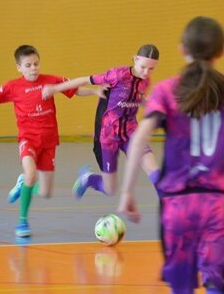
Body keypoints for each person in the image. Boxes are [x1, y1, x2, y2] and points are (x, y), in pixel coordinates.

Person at [117, 17, 224, 294]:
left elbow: (140, 137)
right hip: (219, 209)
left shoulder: (166, 89)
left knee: (181, 287)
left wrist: (127, 191)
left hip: (176, 207)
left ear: (182, 49)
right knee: (217, 284)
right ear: (221, 52)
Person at [0, 45, 102, 238]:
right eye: (28, 65)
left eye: (36, 64)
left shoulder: (51, 81)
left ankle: (23, 184)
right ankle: (22, 222)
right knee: (31, 174)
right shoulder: (12, 87)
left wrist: (95, 92)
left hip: (49, 141)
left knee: (45, 193)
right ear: (19, 67)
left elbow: (75, 90)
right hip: (28, 139)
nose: (33, 68)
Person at [41, 44, 161, 199]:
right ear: (135, 59)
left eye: (151, 69)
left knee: (155, 171)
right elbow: (85, 80)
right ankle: (88, 179)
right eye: (143, 67)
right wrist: (55, 89)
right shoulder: (117, 75)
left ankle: (168, 209)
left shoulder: (145, 81)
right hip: (108, 135)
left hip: (131, 132)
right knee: (109, 189)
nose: (146, 72)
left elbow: (137, 98)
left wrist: (152, 104)